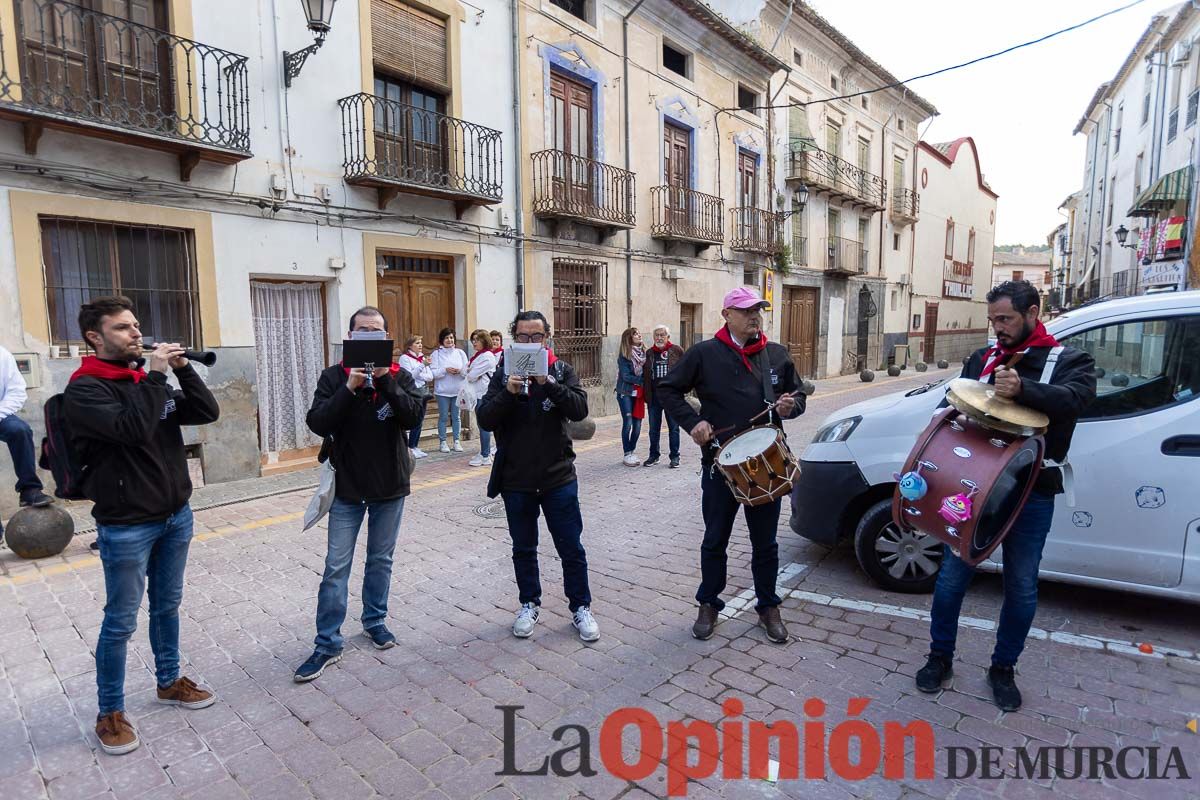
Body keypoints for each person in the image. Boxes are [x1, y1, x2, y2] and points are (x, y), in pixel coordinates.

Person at [915, 280, 1095, 712]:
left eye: (1005, 319)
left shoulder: (1069, 360)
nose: (997, 328)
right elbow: (954, 402)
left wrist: (1024, 390)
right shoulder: (982, 359)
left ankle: (1003, 668)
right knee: (951, 579)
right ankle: (939, 657)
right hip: (974, 492)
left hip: (1032, 495)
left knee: (1021, 586)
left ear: (1033, 313)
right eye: (993, 319)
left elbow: (1078, 400)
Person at [63, 296, 220, 755]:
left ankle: (169, 682)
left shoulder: (144, 380)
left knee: (167, 606)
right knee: (120, 621)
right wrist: (155, 373)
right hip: (127, 524)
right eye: (123, 328)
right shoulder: (86, 389)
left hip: (175, 516)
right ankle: (109, 712)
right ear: (95, 337)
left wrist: (184, 370)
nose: (136, 333)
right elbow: (132, 428)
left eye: (136, 326)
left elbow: (206, 412)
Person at [657, 287, 804, 644]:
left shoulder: (776, 354)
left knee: (765, 544)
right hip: (720, 465)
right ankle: (709, 602)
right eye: (746, 310)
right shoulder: (704, 354)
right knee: (715, 539)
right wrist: (693, 423)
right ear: (726, 315)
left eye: (758, 310)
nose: (754, 316)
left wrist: (790, 407)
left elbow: (797, 396)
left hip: (766, 464)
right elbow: (666, 389)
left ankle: (768, 606)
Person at [296, 307, 426, 682]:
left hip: (390, 485)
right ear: (350, 338)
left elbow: (413, 418)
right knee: (336, 566)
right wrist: (350, 387)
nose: (370, 335)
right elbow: (318, 421)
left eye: (377, 331)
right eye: (362, 331)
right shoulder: (333, 376)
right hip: (348, 489)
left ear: (387, 339)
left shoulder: (402, 376)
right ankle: (327, 642)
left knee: (380, 559)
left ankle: (374, 620)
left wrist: (385, 381)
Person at [476, 310, 600, 643]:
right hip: (516, 481)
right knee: (523, 548)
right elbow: (485, 420)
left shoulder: (560, 369)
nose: (530, 343)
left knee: (571, 547)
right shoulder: (501, 374)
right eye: (523, 337)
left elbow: (579, 410)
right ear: (513, 339)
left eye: (536, 337)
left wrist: (549, 383)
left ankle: (581, 607)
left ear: (546, 338)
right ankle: (529, 603)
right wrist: (509, 392)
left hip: (558, 478)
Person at [0, 345, 52, 539]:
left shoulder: (2, 355)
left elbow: (16, 392)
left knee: (19, 430)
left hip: (0, 413)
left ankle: (29, 489)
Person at [642, 324, 684, 468]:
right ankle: (654, 456)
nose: (659, 338)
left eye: (662, 335)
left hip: (671, 397)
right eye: (657, 335)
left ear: (668, 337)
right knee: (654, 428)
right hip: (654, 396)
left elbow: (686, 370)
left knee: (673, 428)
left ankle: (675, 457)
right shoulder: (649, 353)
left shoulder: (677, 350)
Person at [430, 327, 468, 453]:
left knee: (456, 417)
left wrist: (460, 371)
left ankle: (456, 441)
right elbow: (433, 373)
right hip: (442, 391)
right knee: (443, 417)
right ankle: (443, 442)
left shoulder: (460, 353)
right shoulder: (436, 354)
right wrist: (445, 370)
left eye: (451, 337)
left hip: (457, 390)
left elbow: (467, 371)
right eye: (446, 338)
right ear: (442, 340)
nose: (449, 340)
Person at [466, 329, 499, 467]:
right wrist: (470, 372)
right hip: (477, 393)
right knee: (481, 425)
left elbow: (471, 375)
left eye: (477, 340)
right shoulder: (477, 356)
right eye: (473, 340)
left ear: (484, 341)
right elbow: (465, 370)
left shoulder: (487, 356)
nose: (474, 343)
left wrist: (471, 373)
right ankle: (483, 452)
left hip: (484, 394)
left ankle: (485, 456)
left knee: (483, 425)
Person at [399, 335, 433, 459]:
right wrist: (421, 367)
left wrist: (420, 370)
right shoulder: (405, 358)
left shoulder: (422, 358)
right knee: (414, 418)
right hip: (412, 392)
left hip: (422, 391)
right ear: (410, 345)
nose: (420, 345)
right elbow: (409, 376)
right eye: (417, 343)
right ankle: (410, 446)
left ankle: (415, 446)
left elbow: (430, 376)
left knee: (420, 419)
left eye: (421, 343)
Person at [615, 327, 645, 467]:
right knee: (628, 422)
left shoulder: (645, 353)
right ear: (629, 338)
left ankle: (632, 450)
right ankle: (627, 453)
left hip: (638, 393)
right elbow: (626, 376)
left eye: (639, 333)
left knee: (638, 424)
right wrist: (642, 380)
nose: (639, 335)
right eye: (635, 334)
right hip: (625, 392)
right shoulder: (624, 355)